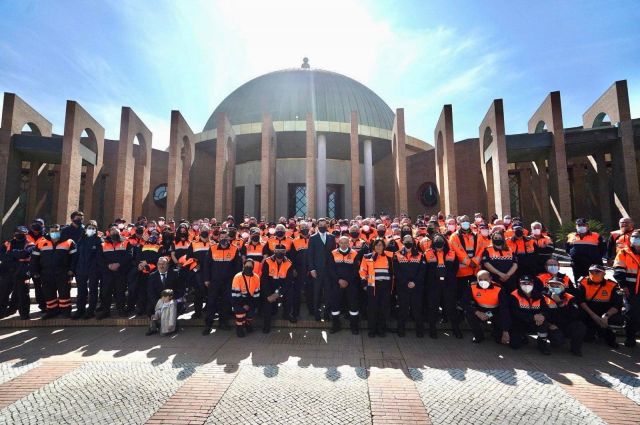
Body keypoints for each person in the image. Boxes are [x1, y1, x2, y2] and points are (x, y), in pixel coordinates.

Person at [503, 275, 559, 355]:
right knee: (514, 345)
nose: (526, 285)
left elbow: (546, 310)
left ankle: (542, 343)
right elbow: (515, 313)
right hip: (519, 323)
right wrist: (533, 317)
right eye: (523, 283)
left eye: (529, 283)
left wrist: (542, 315)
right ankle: (522, 337)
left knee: (543, 323)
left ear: (533, 284)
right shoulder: (514, 295)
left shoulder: (539, 295)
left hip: (536, 322)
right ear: (519, 284)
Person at [31, 224, 77, 319]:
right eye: (52, 231)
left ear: (60, 231)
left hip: (63, 273)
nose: (54, 233)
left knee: (64, 293)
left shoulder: (69, 242)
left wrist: (71, 270)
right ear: (49, 232)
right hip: (46, 273)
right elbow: (34, 259)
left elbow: (74, 258)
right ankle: (52, 311)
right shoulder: (41, 242)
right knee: (48, 293)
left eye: (56, 231)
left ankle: (65, 311)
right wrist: (35, 271)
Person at [202, 231, 242, 335]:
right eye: (222, 237)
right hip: (214, 281)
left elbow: (238, 267)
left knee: (226, 303)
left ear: (229, 238)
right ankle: (208, 325)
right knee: (211, 302)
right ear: (218, 238)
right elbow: (207, 265)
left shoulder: (235, 249)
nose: (224, 238)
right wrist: (206, 279)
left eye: (226, 237)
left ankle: (223, 323)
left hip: (229, 282)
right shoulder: (212, 248)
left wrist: (236, 281)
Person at [576, 264, 622, 348]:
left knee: (617, 320)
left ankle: (607, 334)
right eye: (591, 271)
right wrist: (593, 316)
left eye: (597, 271)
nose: (594, 273)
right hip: (589, 313)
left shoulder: (612, 285)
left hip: (605, 314)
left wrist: (606, 316)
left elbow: (618, 304)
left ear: (604, 274)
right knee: (587, 338)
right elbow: (580, 301)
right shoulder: (583, 282)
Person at [425, 234, 460, 339]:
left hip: (448, 284)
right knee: (433, 308)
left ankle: (456, 329)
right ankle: (432, 330)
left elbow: (455, 268)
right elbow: (425, 270)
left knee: (451, 307)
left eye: (440, 240)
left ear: (444, 242)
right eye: (436, 240)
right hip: (433, 285)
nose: (438, 242)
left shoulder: (452, 253)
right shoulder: (427, 253)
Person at [327, 236, 362, 334]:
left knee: (353, 305)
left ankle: (354, 326)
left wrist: (347, 281)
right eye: (341, 242)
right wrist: (339, 280)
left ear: (349, 243)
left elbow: (356, 270)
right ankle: (336, 325)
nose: (343, 244)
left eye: (345, 242)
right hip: (336, 283)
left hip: (351, 284)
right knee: (335, 304)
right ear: (338, 243)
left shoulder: (355, 253)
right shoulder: (333, 253)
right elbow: (331, 269)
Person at [96, 226, 132, 319]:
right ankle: (105, 311)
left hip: (121, 271)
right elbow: (99, 258)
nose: (113, 233)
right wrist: (108, 265)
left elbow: (129, 256)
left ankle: (121, 309)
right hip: (107, 272)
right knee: (106, 292)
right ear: (108, 233)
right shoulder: (103, 244)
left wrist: (119, 264)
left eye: (115, 232)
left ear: (119, 233)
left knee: (120, 292)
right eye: (111, 232)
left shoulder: (126, 243)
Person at [359, 239, 393, 337]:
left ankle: (381, 330)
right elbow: (362, 271)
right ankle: (372, 330)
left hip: (385, 286)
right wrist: (364, 285)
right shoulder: (367, 256)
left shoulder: (389, 256)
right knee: (372, 309)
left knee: (383, 309)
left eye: (381, 245)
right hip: (372, 286)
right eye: (377, 245)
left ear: (383, 246)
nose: (379, 247)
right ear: (373, 246)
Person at [394, 234, 426, 337]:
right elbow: (396, 271)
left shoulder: (421, 255)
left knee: (417, 309)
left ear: (413, 242)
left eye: (410, 240)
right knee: (402, 309)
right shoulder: (397, 254)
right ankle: (401, 331)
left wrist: (414, 282)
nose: (408, 242)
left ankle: (420, 332)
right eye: (406, 240)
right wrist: (405, 283)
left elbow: (422, 271)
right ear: (402, 241)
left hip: (416, 286)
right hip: (402, 286)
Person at [612, 229, 640, 347]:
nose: (636, 239)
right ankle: (630, 338)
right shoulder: (624, 252)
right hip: (630, 289)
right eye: (634, 236)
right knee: (631, 314)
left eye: (638, 237)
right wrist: (623, 286)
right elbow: (618, 271)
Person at [544, 278, 586, 356]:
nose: (554, 287)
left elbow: (575, 315)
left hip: (566, 323)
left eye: (557, 285)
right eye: (552, 285)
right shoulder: (543, 296)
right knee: (558, 342)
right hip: (551, 325)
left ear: (563, 287)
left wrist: (560, 303)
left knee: (580, 326)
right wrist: (549, 324)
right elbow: (542, 313)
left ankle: (576, 349)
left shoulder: (570, 298)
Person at [463, 270, 506, 343]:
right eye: (480, 279)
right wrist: (477, 312)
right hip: (480, 310)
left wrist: (489, 314)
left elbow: (504, 307)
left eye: (486, 279)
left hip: (494, 311)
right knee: (469, 314)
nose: (483, 281)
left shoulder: (498, 288)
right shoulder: (472, 286)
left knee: (498, 340)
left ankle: (495, 332)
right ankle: (478, 335)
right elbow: (464, 302)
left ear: (490, 279)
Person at [0, 226, 34, 319]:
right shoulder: (8, 243)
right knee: (2, 293)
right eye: (17, 232)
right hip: (7, 272)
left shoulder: (30, 244)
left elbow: (25, 254)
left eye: (21, 233)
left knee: (23, 295)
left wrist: (11, 254)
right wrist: (16, 256)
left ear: (26, 234)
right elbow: (1, 255)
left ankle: (24, 315)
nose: (18, 234)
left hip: (21, 272)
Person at [71, 221, 102, 319]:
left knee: (93, 290)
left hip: (93, 270)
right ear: (85, 229)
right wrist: (74, 268)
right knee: (81, 291)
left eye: (93, 228)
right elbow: (76, 255)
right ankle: (80, 310)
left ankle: (91, 311)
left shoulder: (99, 241)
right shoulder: (81, 240)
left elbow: (99, 257)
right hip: (81, 269)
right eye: (89, 228)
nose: (91, 230)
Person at [307, 218, 336, 321]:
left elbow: (334, 254)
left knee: (328, 293)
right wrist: (312, 269)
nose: (322, 226)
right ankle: (317, 313)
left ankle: (327, 313)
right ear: (317, 225)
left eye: (324, 225)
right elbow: (310, 255)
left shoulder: (332, 237)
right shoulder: (313, 238)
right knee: (317, 293)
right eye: (320, 225)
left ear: (327, 226)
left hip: (329, 271)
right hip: (317, 271)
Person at [260, 244, 294, 333]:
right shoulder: (267, 261)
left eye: (282, 251)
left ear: (285, 252)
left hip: (282, 285)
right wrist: (268, 295)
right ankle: (266, 325)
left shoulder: (289, 263)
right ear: (274, 251)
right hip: (270, 285)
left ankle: (286, 314)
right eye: (277, 251)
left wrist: (277, 294)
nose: (280, 253)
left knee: (290, 292)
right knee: (267, 301)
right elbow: (264, 279)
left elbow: (288, 281)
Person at [127, 231, 161, 316]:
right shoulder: (142, 246)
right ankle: (140, 309)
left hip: (153, 272)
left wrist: (147, 262)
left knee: (152, 291)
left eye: (155, 235)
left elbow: (158, 258)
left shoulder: (160, 246)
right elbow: (138, 256)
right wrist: (141, 264)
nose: (153, 236)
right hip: (142, 271)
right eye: (152, 234)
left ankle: (150, 309)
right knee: (141, 291)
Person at [231, 258, 261, 337]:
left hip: (250, 298)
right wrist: (243, 304)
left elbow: (256, 293)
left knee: (251, 311)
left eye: (250, 266)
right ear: (243, 266)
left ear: (253, 267)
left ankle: (247, 323)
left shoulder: (256, 277)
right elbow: (235, 294)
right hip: (238, 299)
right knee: (240, 312)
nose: (248, 267)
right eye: (246, 265)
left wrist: (253, 304)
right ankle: (239, 327)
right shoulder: (237, 277)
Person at [186, 227, 212, 319]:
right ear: (199, 235)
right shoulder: (193, 244)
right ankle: (197, 312)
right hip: (198, 271)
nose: (205, 238)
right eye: (203, 236)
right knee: (198, 293)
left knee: (210, 293)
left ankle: (209, 311)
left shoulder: (213, 244)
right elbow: (188, 257)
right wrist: (195, 264)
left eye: (206, 236)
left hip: (210, 272)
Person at [289, 223, 310, 322]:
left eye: (306, 227)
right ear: (299, 229)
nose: (305, 229)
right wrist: (293, 269)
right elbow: (292, 256)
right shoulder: (294, 241)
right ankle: (295, 313)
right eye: (302, 228)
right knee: (296, 292)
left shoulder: (313, 239)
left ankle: (312, 311)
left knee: (312, 290)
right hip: (299, 269)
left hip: (311, 269)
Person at [27, 219, 47, 311]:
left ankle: (42, 305)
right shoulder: (25, 235)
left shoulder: (46, 237)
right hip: (26, 265)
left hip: (40, 265)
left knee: (39, 286)